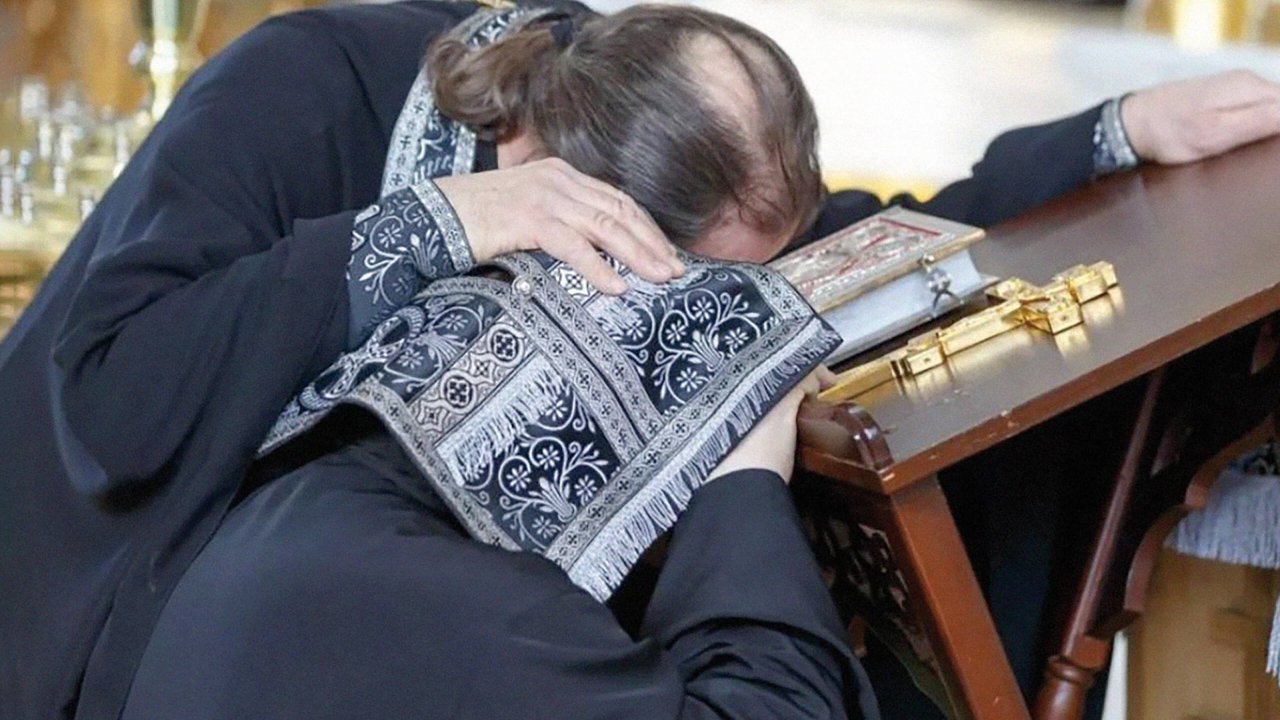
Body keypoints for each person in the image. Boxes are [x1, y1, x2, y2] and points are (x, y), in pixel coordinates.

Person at [0, 1, 1277, 718]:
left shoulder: (621, 96)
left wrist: (1109, 136)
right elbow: (111, 402)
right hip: (126, 603)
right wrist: (431, 229)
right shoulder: (303, 88)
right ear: (559, 188)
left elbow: (839, 251)